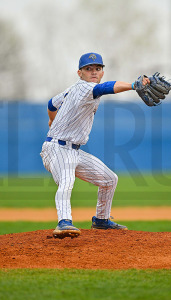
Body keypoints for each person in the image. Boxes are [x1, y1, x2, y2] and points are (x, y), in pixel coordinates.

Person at [40, 52, 150, 239]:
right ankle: (64, 222)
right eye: (88, 69)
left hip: (74, 151)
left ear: (102, 72)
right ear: (79, 73)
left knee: (109, 179)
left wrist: (52, 120)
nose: (93, 72)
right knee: (67, 181)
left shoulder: (71, 90)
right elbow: (105, 88)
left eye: (97, 68)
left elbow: (52, 103)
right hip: (56, 149)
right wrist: (133, 85)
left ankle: (101, 220)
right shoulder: (84, 87)